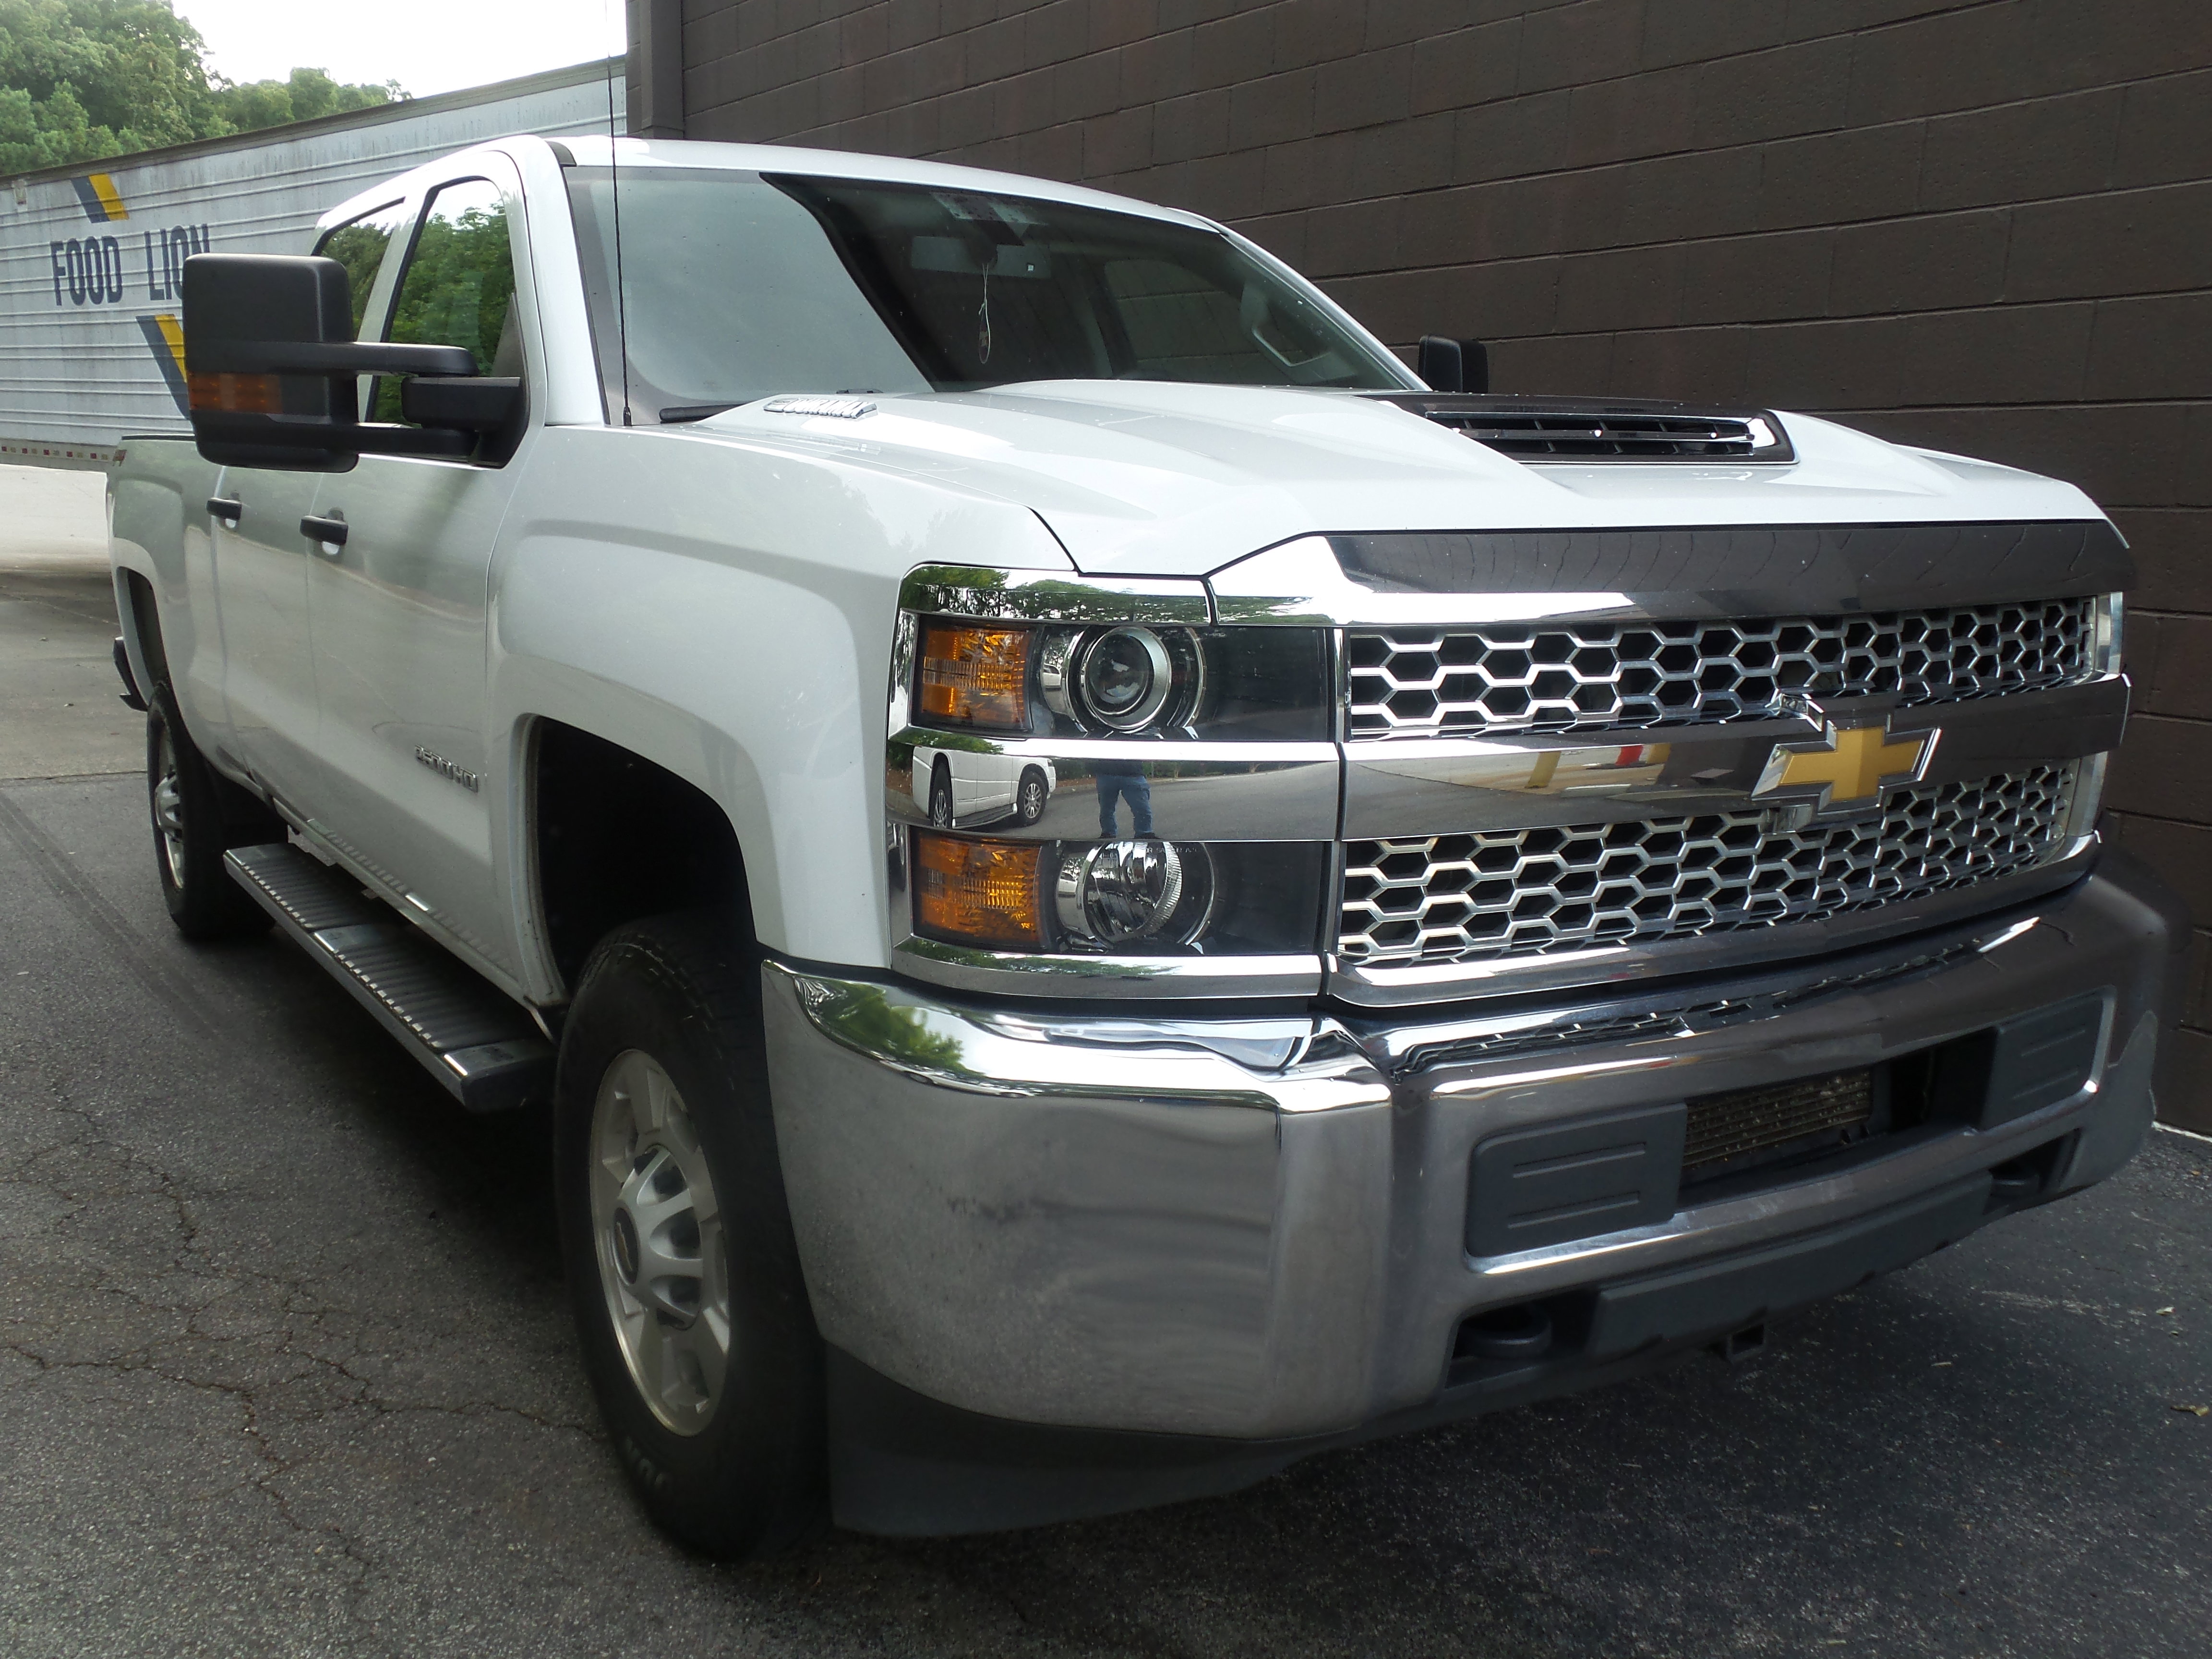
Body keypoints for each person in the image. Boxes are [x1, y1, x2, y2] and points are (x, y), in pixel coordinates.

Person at [1093, 760, 1153, 837]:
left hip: (1132, 772)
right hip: (1106, 773)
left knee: (1142, 809)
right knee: (1106, 810)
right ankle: (1108, 835)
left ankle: (1144, 834)